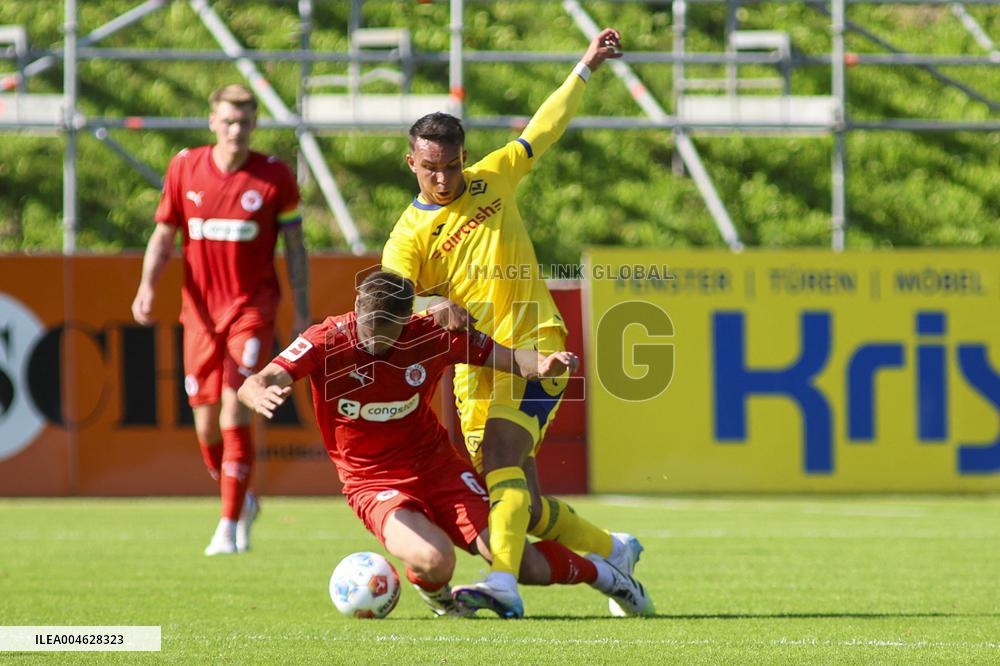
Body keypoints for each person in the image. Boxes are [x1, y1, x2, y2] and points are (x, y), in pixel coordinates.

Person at [380, 29, 647, 616]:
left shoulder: (492, 177)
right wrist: (426, 309)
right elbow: (390, 302)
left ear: (464, 158)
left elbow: (543, 129)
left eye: (451, 166)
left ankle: (502, 583)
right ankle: (614, 551)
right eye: (430, 169)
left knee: (503, 456)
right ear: (411, 163)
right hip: (474, 368)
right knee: (520, 501)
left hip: (535, 344)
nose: (443, 179)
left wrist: (584, 67)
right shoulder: (407, 239)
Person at [238, 271, 653, 618]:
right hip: (372, 481)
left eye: (386, 332)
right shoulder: (326, 340)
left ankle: (608, 577)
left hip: (438, 468)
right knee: (436, 561)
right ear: (358, 308)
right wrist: (257, 391)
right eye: (368, 328)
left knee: (515, 560)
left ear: (406, 319)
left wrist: (543, 363)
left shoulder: (431, 335)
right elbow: (258, 379)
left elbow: (508, 358)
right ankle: (440, 597)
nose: (374, 341)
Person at [131, 84, 310, 556]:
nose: (236, 130)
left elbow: (295, 246)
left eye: (244, 122)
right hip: (199, 317)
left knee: (236, 408)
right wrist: (147, 286)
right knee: (206, 426)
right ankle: (242, 498)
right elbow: (163, 235)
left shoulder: (274, 176)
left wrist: (302, 306)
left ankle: (228, 526)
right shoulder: (184, 167)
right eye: (228, 121)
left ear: (254, 124)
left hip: (251, 310)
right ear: (212, 121)